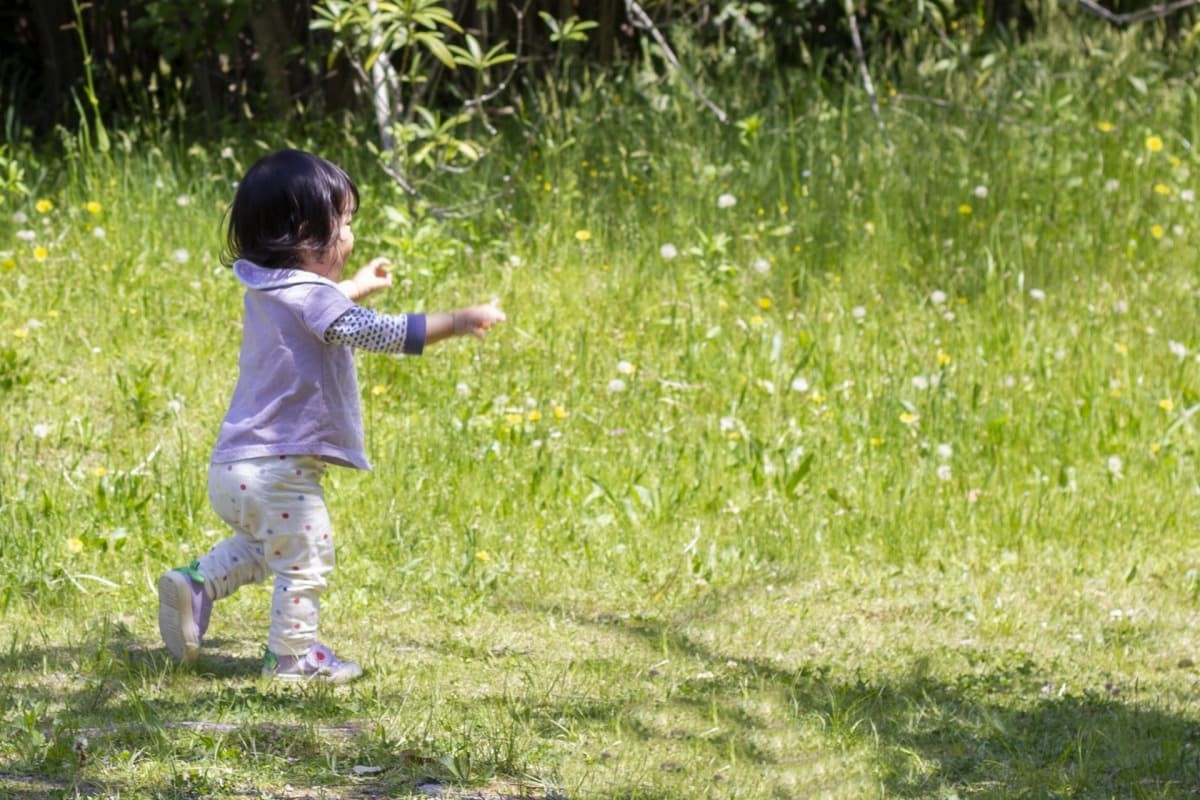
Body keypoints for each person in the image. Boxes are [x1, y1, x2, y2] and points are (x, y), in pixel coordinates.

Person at [157, 149, 505, 683]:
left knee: (268, 548)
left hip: (234, 468)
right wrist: (457, 320)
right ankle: (293, 660)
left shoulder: (266, 288)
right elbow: (377, 332)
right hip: (281, 471)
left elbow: (317, 307)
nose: (349, 235)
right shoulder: (311, 296)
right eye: (343, 223)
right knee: (306, 561)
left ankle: (197, 583)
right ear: (306, 232)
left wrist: (355, 287)